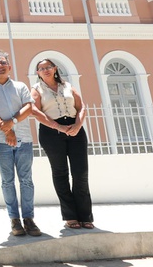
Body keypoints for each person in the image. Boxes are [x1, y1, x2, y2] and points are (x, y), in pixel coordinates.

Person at [0, 51, 42, 237]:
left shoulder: (20, 86)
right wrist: (8, 131)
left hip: (24, 141)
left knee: (26, 180)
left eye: (3, 63)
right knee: (7, 181)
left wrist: (12, 123)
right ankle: (14, 219)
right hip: (1, 142)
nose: (0, 66)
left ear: (9, 67)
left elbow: (29, 107)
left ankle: (29, 218)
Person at [30, 58, 94, 230]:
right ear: (38, 73)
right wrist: (57, 126)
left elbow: (81, 107)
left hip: (75, 129)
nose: (45, 70)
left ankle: (85, 216)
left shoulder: (68, 86)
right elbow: (35, 111)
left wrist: (77, 125)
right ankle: (70, 216)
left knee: (81, 173)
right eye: (41, 68)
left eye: (48, 67)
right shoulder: (36, 89)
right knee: (60, 173)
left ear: (55, 68)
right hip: (51, 132)